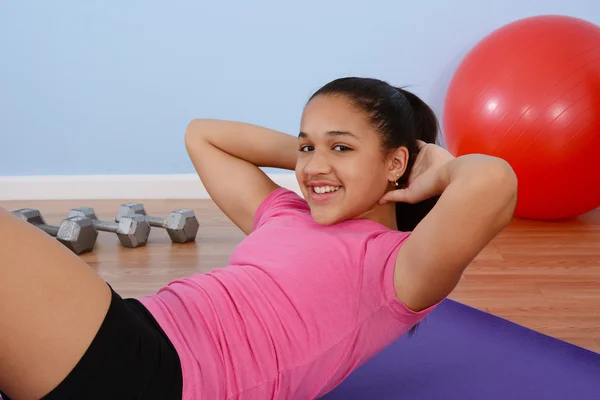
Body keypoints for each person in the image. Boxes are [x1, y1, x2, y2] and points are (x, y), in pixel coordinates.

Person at [0, 77, 517, 400]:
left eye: (340, 147)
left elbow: (494, 184)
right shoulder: (284, 213)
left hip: (164, 380)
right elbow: (202, 133)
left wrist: (436, 169)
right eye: (305, 146)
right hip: (144, 327)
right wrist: (323, 154)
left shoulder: (398, 269)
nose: (314, 165)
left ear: (398, 162)